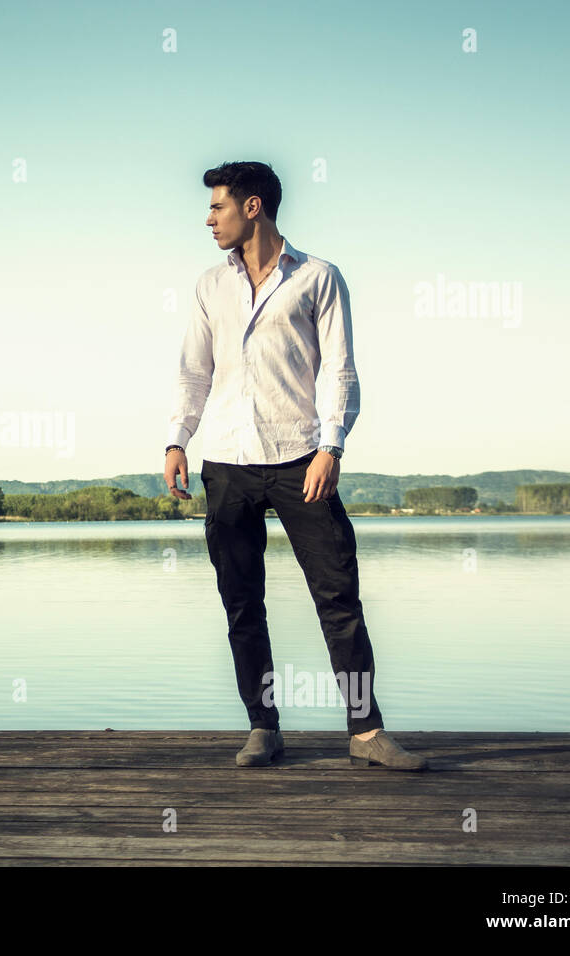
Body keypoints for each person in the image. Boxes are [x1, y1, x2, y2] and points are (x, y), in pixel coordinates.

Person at [164, 161, 427, 771]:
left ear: (253, 208)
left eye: (217, 208)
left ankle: (366, 733)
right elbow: (193, 371)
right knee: (241, 602)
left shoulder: (318, 278)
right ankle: (263, 727)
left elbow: (340, 369)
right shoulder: (210, 286)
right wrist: (178, 439)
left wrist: (331, 448)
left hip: (301, 459)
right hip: (226, 462)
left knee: (338, 596)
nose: (208, 219)